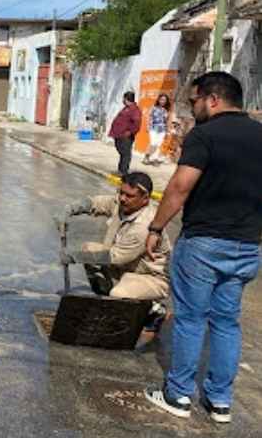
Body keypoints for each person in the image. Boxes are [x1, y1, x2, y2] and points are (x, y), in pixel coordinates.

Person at [144, 72, 262, 424]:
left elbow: (180, 187)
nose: (192, 108)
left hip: (204, 244)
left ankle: (178, 394)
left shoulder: (205, 135)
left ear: (212, 99)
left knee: (191, 319)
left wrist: (156, 227)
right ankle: (219, 402)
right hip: (247, 245)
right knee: (226, 321)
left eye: (194, 101)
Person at [59, 172, 170, 305]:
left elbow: (115, 257)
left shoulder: (144, 225)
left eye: (129, 196)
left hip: (149, 277)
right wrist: (71, 209)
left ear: (145, 198)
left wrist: (74, 257)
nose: (122, 198)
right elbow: (99, 203)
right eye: (121, 192)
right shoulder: (125, 204)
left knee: (119, 294)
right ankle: (107, 299)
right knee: (89, 249)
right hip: (127, 267)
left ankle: (153, 309)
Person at [108, 91, 142, 176]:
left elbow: (137, 123)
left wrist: (130, 132)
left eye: (124, 98)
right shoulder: (126, 108)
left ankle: (123, 171)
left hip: (126, 136)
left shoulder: (134, 109)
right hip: (119, 135)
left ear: (126, 99)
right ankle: (120, 170)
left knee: (126, 153)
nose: (123, 100)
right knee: (121, 152)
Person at [143, 93, 171, 165]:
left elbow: (167, 121)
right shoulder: (153, 108)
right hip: (153, 128)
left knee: (158, 144)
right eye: (161, 99)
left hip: (162, 130)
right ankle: (147, 156)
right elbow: (149, 117)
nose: (162, 101)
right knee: (153, 143)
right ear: (158, 100)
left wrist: (168, 131)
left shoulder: (166, 110)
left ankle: (153, 159)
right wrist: (147, 126)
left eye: (164, 100)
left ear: (166, 101)